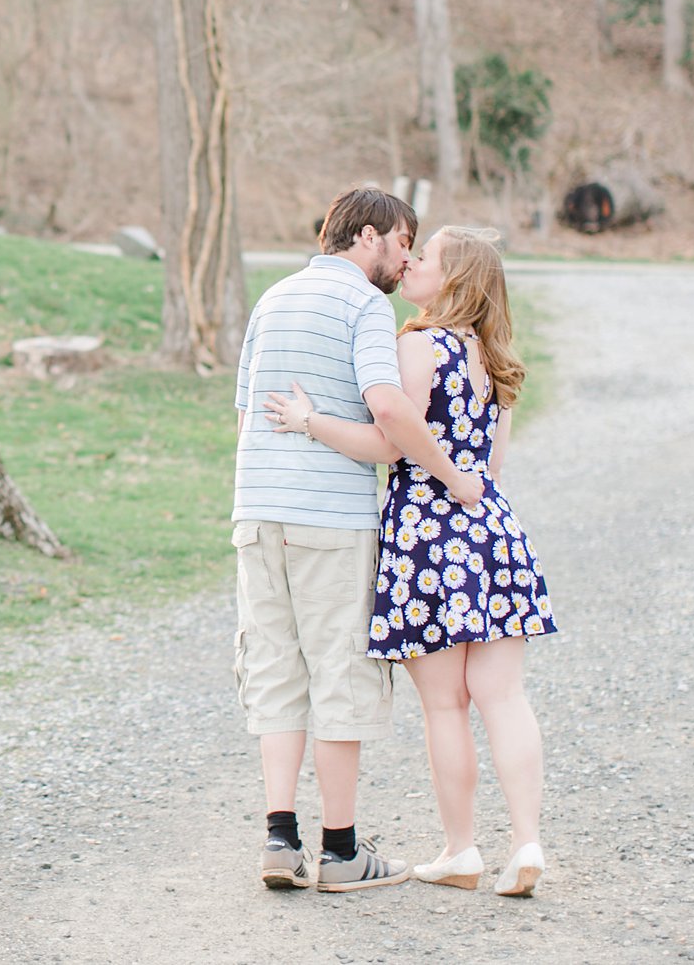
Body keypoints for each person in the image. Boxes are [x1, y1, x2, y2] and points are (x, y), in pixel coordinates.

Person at [263, 225, 558, 898]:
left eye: (426, 258)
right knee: (505, 696)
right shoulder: (496, 357)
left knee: (446, 708)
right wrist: (464, 479)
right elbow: (494, 466)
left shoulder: (418, 345)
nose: (412, 263)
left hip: (429, 539)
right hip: (493, 533)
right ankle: (528, 839)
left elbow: (393, 440)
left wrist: (310, 421)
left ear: (450, 281)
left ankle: (461, 849)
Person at [230, 188, 486, 893]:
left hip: (256, 513)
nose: (406, 258)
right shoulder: (365, 306)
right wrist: (452, 473)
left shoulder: (271, 298)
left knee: (277, 669)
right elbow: (388, 407)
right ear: (368, 236)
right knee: (340, 672)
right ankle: (340, 850)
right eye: (404, 241)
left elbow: (247, 417)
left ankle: (280, 837)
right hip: (331, 520)